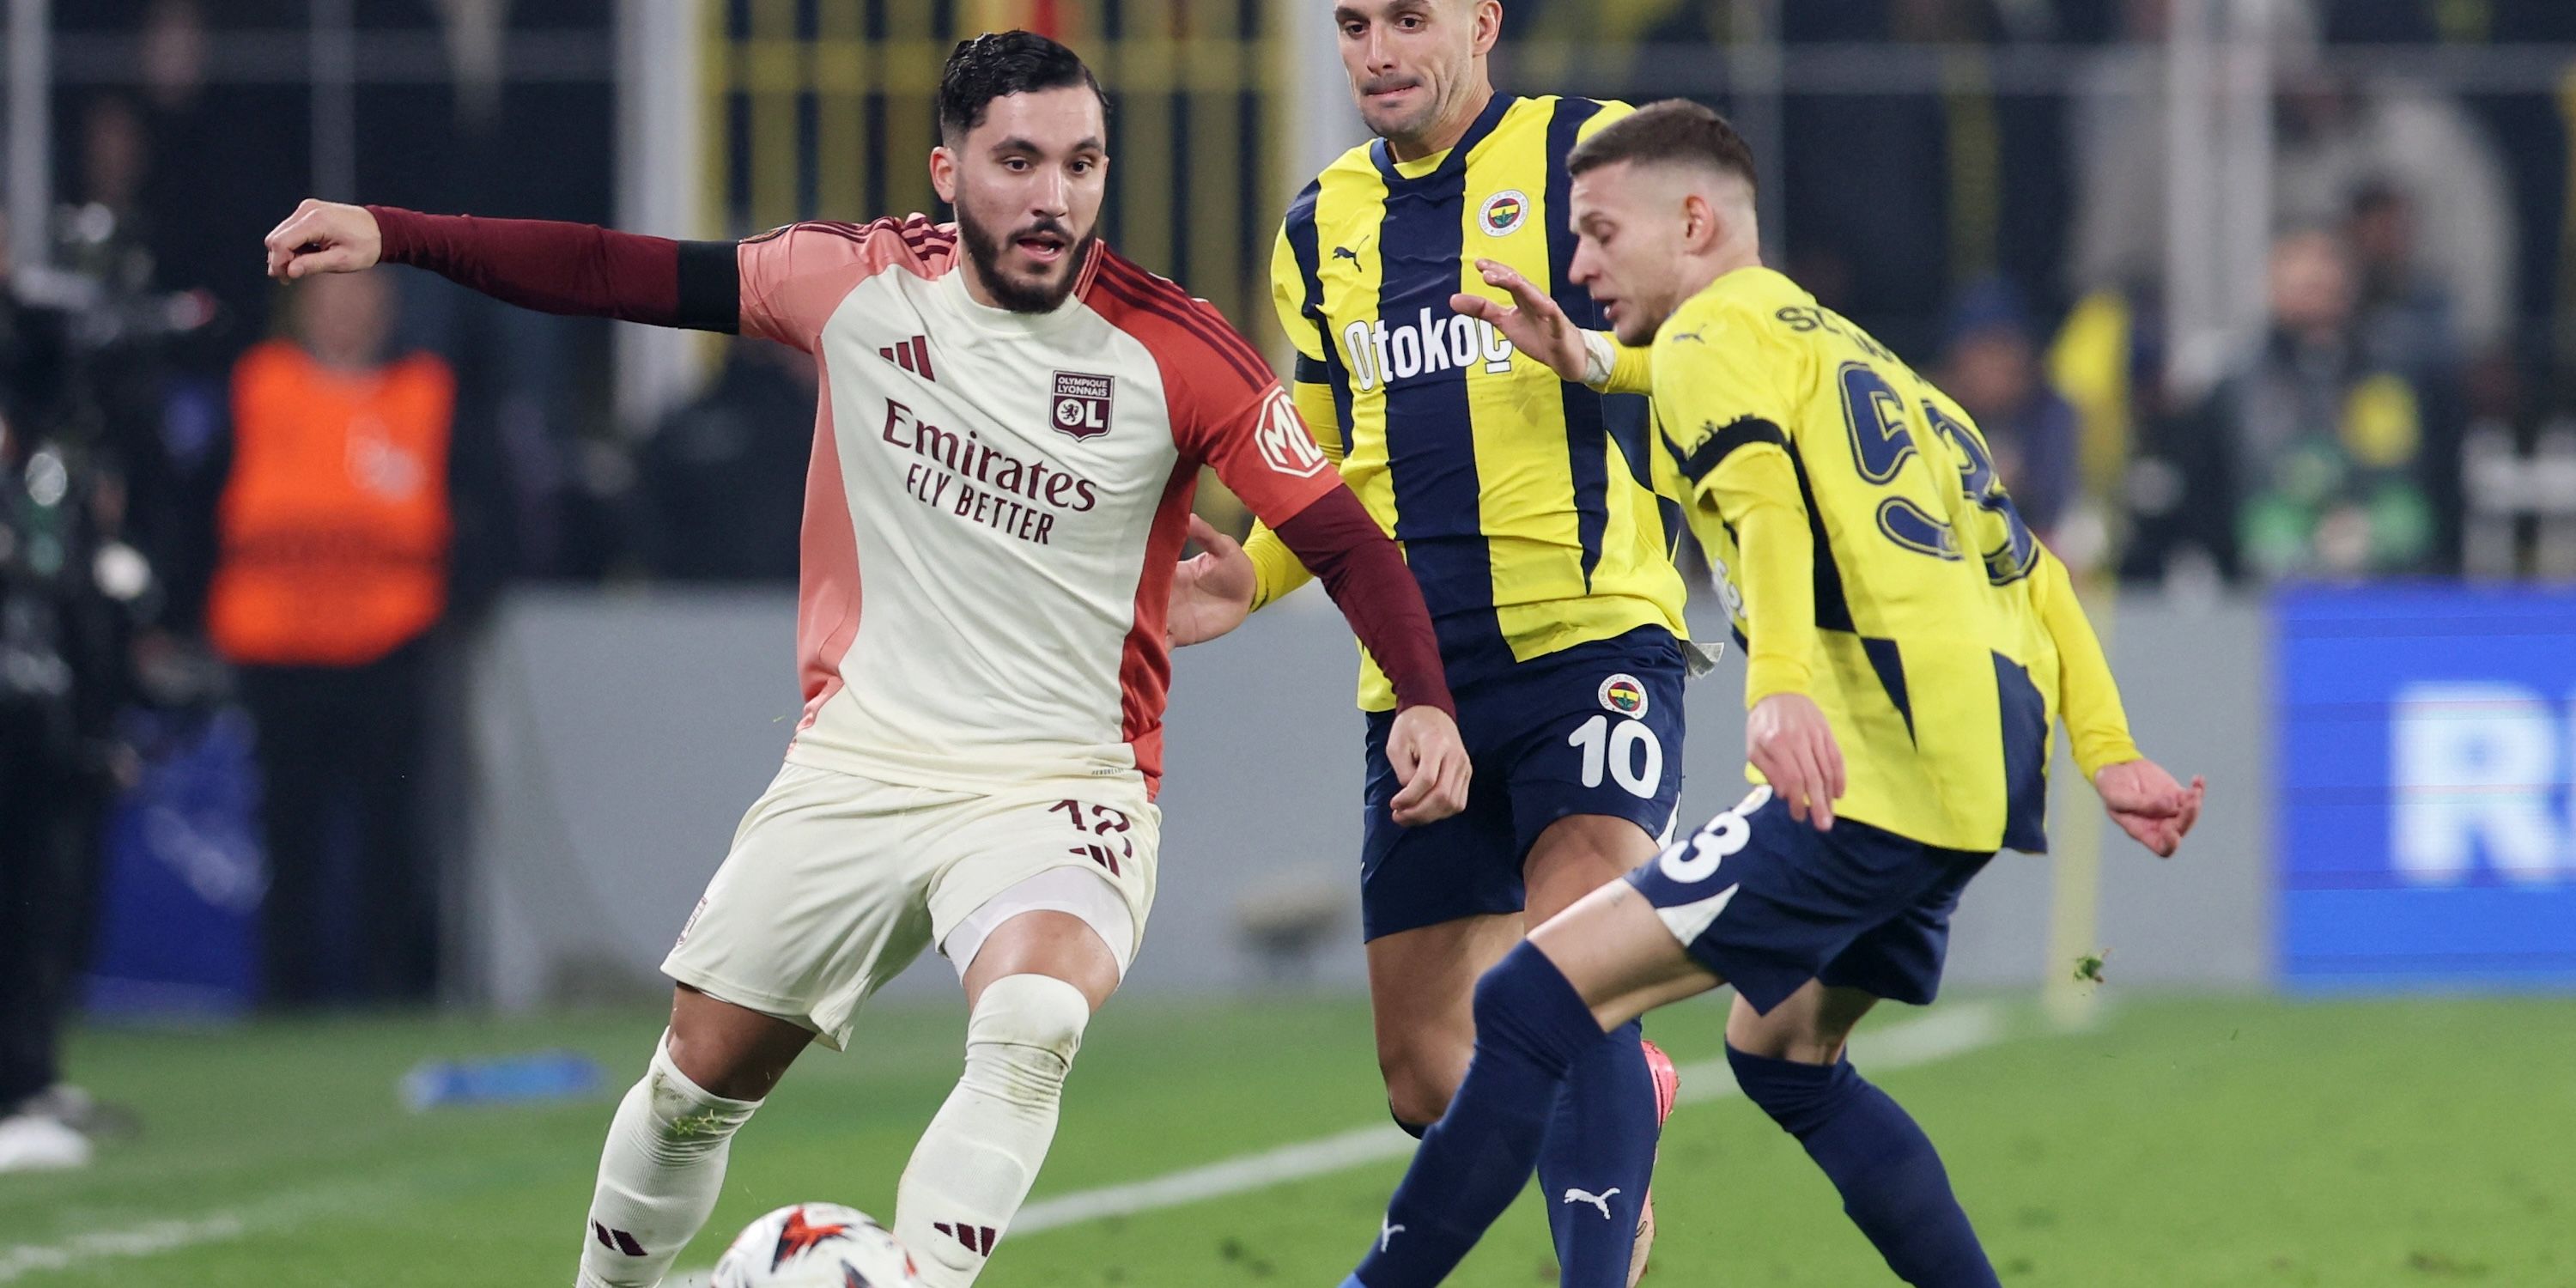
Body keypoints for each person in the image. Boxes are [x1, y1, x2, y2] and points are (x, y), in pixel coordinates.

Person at [262, 31, 1470, 1288]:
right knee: (695, 1082)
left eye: (1081, 163)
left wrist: (1424, 701)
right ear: (948, 171)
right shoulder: (851, 282)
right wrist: (395, 232)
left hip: (1062, 778)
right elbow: (607, 269)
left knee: (1033, 1020)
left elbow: (1348, 542)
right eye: (1017, 161)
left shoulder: (1176, 350)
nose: (1053, 198)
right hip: (861, 761)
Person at [1335, 100, 2205, 1288]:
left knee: (1537, 995)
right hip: (1980, 779)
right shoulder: (1865, 362)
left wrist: (1780, 693)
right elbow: (2038, 573)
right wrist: (2109, 753)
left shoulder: (1705, 347)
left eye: (1598, 233)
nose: (1578, 264)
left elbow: (1764, 508)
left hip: (1860, 768)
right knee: (1786, 1057)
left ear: (1694, 222)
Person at [1170, 3, 1692, 1279]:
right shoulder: (1317, 225)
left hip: (1593, 643)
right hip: (1420, 690)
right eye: (1352, 24)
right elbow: (1318, 465)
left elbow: (1719, 340)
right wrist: (1255, 572)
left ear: (1481, 21)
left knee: (1576, 970)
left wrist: (1596, 358)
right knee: (1422, 1074)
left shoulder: (1593, 152)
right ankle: (1630, 1083)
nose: (1378, 51)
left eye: (1409, 18)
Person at [208, 268, 454, 1008]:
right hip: (276, 647)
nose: (348, 314)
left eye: (363, 298)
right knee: (290, 831)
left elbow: (476, 512)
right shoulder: (258, 385)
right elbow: (202, 508)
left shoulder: (426, 392)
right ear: (301, 308)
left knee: (391, 831)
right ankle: (286, 995)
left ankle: (389, 994)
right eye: (332, 299)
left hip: (390, 640)